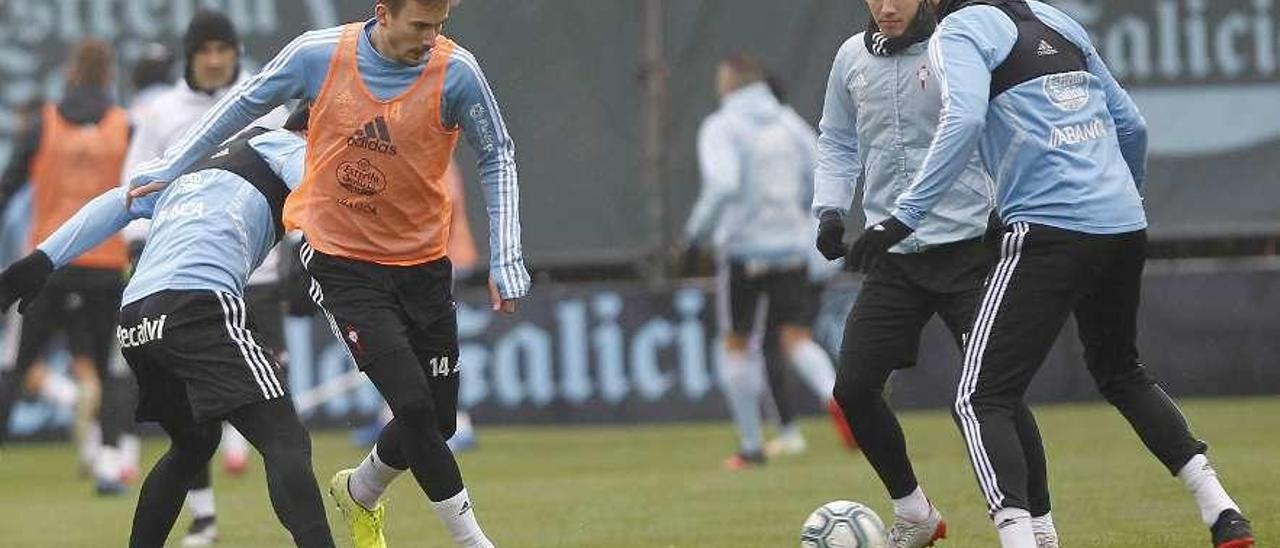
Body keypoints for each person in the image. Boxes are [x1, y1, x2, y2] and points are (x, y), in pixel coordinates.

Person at [846, 1, 1255, 546]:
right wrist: (1124, 199)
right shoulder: (1055, 18)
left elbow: (964, 119)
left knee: (978, 398)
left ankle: (1023, 538)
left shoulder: (959, 30)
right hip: (1123, 224)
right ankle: (1222, 511)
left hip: (1049, 228)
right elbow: (1131, 123)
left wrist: (903, 218)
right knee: (1122, 373)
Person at [124, 1, 529, 546]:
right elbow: (243, 105)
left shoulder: (457, 72)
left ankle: (360, 490)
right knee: (409, 404)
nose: (431, 38)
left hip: (422, 262)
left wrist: (506, 254)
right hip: (343, 260)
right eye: (419, 25)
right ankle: (474, 541)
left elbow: (496, 154)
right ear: (383, 14)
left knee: (437, 421)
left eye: (440, 25)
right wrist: (173, 165)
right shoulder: (319, 55)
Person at [0, 108, 335, 547]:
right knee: (285, 439)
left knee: (193, 444)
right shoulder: (286, 145)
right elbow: (321, 195)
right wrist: (315, 255)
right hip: (198, 304)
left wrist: (40, 260)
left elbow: (119, 202)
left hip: (138, 314)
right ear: (312, 129)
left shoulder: (194, 163)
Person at [814, 0, 1061, 546]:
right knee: (853, 389)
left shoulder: (960, 48)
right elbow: (835, 140)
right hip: (894, 260)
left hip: (971, 253)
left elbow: (1007, 125)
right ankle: (916, 513)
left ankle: (1040, 528)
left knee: (996, 397)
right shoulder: (851, 57)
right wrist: (830, 209)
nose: (885, 7)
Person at [120, 11, 292, 544]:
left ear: (237, 51)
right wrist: (135, 254)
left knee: (273, 406)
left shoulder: (268, 101)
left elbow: (297, 175)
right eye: (205, 51)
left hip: (257, 275)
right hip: (190, 284)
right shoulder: (160, 112)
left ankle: (265, 495)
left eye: (224, 49)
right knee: (197, 425)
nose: (215, 60)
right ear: (189, 57)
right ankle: (204, 516)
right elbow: (133, 186)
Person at [684, 52, 847, 471]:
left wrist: (694, 236)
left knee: (737, 343)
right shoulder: (790, 125)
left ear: (729, 83)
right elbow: (824, 175)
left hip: (743, 253)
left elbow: (722, 185)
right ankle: (838, 398)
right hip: (792, 249)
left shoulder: (721, 127)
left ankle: (752, 445)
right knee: (795, 340)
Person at [0, 39, 134, 495]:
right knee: (108, 370)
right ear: (109, 75)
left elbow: (8, 185)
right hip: (106, 265)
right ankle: (111, 462)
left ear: (72, 73)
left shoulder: (46, 123)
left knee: (18, 366)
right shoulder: (123, 126)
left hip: (49, 263)